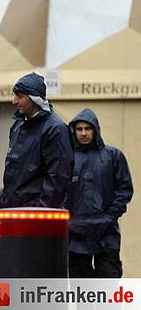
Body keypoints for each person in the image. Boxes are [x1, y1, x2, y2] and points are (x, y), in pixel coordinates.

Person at [66, 108, 133, 278]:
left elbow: (124, 189)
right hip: (76, 235)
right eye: (79, 129)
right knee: (82, 291)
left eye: (87, 129)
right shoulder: (67, 158)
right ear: (74, 131)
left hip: (107, 233)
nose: (83, 133)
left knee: (108, 289)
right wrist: (69, 222)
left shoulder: (113, 156)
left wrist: (110, 216)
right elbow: (58, 190)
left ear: (96, 130)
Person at [0, 72, 72, 210]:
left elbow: (57, 178)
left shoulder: (55, 129)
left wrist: (40, 210)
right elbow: (11, 175)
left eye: (19, 96)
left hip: (36, 217)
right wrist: (0, 207)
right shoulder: (17, 127)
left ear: (34, 98)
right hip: (11, 213)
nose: (14, 101)